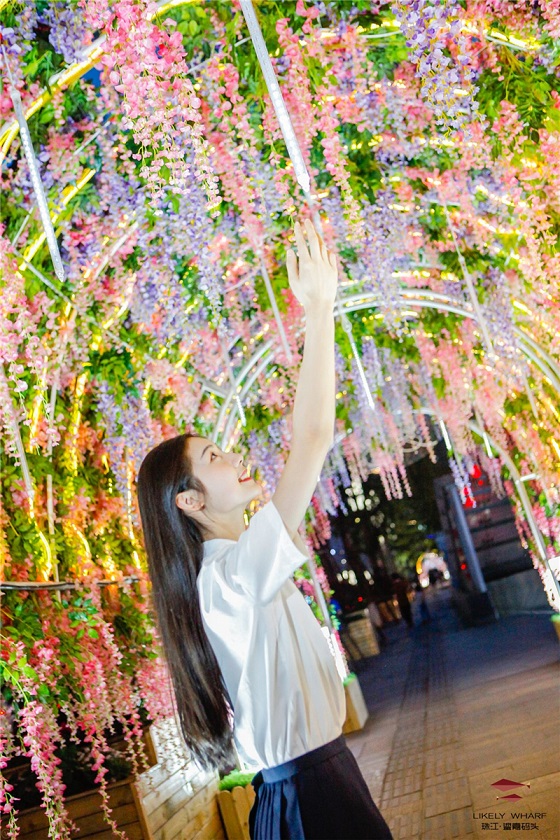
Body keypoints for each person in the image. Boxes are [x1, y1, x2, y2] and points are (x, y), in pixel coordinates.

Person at [137, 220, 393, 840]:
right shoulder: (228, 577)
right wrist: (320, 308)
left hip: (316, 782)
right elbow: (312, 438)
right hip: (311, 792)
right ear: (192, 501)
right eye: (217, 458)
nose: (236, 457)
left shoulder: (231, 572)